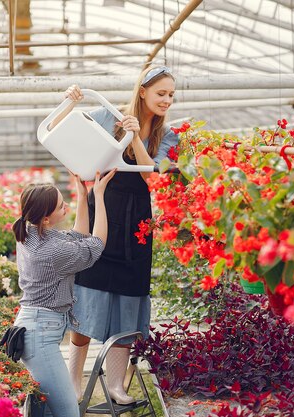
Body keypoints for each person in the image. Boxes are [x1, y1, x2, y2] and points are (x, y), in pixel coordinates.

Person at [54, 66, 179, 404]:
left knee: (129, 294)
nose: (167, 100)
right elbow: (59, 130)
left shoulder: (168, 135)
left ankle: (116, 384)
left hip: (138, 220)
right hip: (103, 211)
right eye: (161, 93)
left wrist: (136, 135)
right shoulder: (107, 114)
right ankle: (73, 380)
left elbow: (152, 179)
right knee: (88, 289)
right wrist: (69, 101)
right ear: (143, 91)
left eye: (171, 95)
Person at [12, 170, 115, 417]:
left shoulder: (30, 233)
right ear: (46, 218)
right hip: (40, 336)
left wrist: (83, 195)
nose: (65, 207)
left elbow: (79, 236)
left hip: (35, 328)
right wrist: (99, 197)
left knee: (46, 411)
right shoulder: (53, 251)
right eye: (61, 206)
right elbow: (97, 244)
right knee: (69, 412)